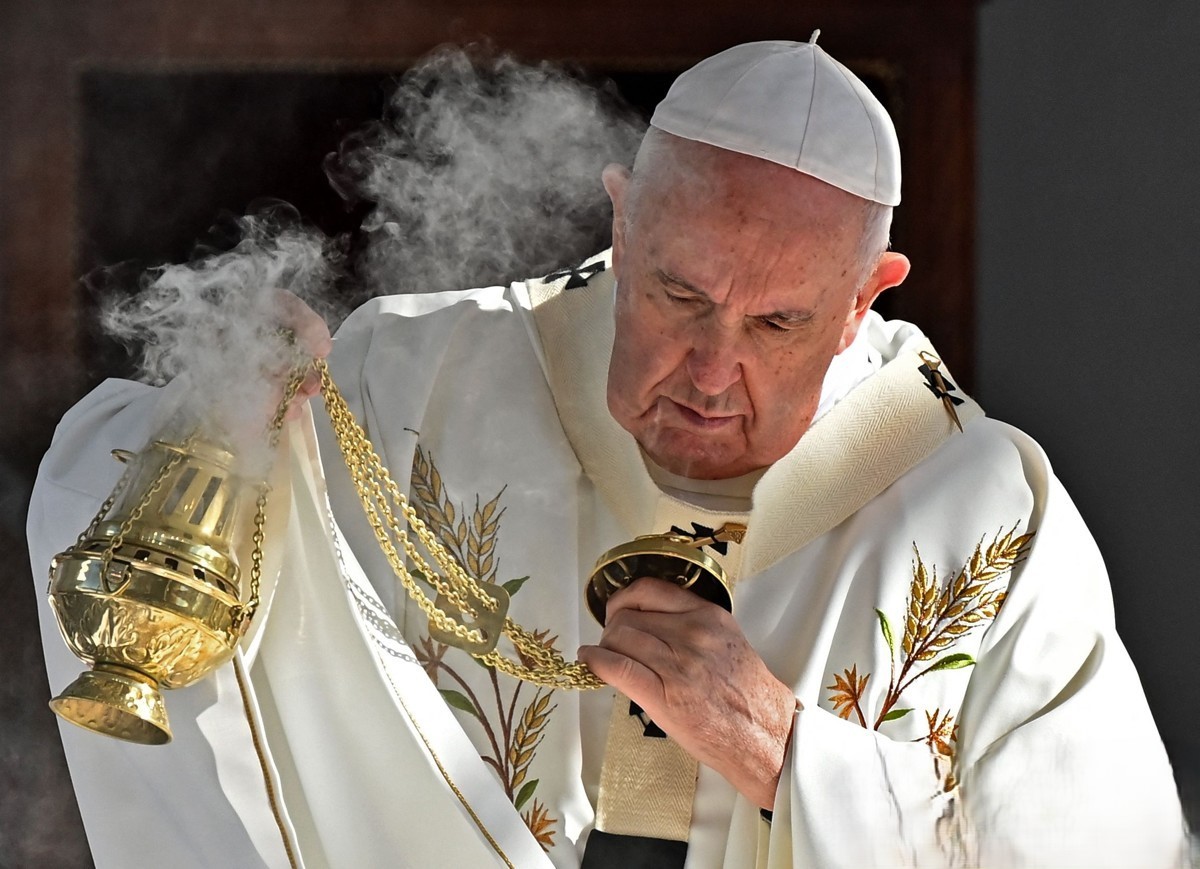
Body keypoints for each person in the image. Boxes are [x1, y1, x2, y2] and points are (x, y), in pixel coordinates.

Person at [27, 37, 1190, 868]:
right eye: (680, 293)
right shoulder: (417, 380)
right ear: (623, 221)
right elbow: (137, 532)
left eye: (777, 322)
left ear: (864, 298)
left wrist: (788, 755)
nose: (711, 367)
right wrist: (228, 411)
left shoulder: (988, 513)